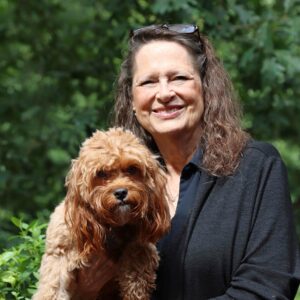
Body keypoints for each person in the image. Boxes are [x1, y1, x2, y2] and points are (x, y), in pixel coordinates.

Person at [76, 24, 300, 299]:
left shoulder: (256, 167)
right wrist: (86, 290)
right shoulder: (110, 182)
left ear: (205, 87)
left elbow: (268, 286)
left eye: (179, 78)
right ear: (132, 99)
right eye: (148, 82)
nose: (164, 93)